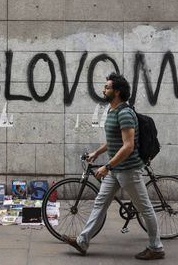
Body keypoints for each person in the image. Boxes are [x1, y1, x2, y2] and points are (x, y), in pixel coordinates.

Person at [61, 73, 165, 260]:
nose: (103, 89)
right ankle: (82, 241)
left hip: (128, 170)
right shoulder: (113, 110)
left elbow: (128, 145)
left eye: (107, 87)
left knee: (145, 209)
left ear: (117, 92)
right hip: (116, 170)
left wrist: (107, 166)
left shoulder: (125, 113)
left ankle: (156, 247)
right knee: (100, 203)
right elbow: (114, 140)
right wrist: (97, 153)